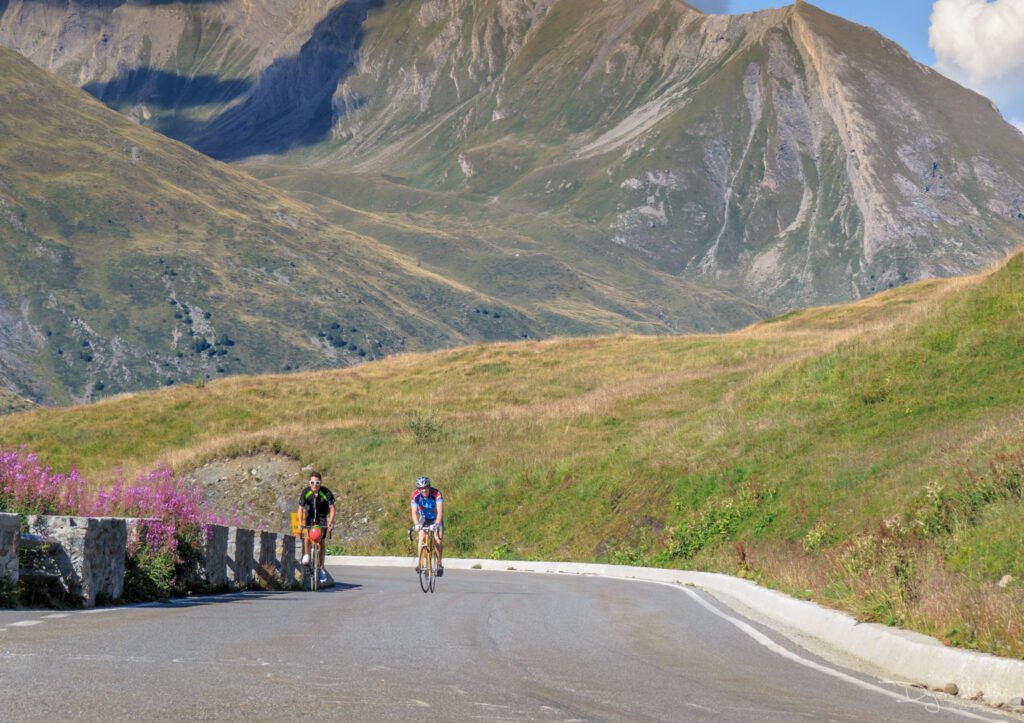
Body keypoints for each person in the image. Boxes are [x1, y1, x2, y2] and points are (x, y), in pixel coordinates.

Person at [297, 471, 335, 584]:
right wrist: (300, 523)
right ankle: (307, 554)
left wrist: (331, 522)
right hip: (310, 517)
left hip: (322, 518)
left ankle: (322, 567)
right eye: (312, 482)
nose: (315, 485)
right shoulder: (306, 492)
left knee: (321, 542)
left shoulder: (326, 492)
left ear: (320, 483)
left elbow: (332, 508)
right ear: (309, 483)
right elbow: (300, 508)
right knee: (308, 536)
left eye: (317, 483)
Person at [410, 475, 444, 576]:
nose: (424, 490)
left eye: (426, 487)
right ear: (418, 489)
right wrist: (416, 524)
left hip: (436, 518)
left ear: (429, 487)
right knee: (421, 536)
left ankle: (439, 564)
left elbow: (440, 511)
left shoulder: (437, 494)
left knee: (437, 539)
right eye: (421, 488)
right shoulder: (415, 495)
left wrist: (436, 524)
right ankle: (420, 563)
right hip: (424, 518)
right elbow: (414, 512)